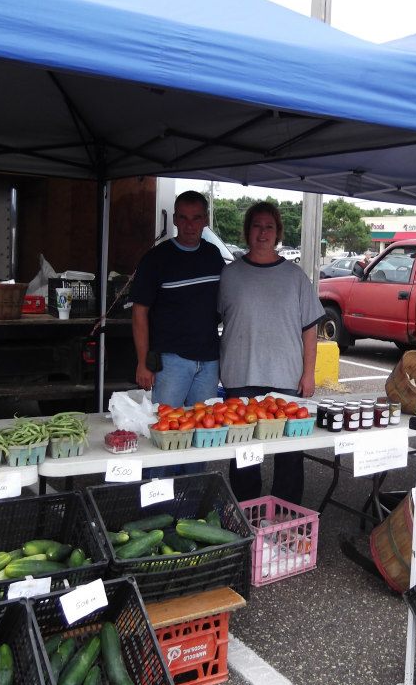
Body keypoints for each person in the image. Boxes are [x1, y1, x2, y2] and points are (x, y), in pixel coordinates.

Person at [219, 201, 324, 504]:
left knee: (289, 457)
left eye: (269, 227)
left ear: (277, 233)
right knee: (244, 456)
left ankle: (286, 518)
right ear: (247, 231)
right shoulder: (229, 275)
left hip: (286, 380)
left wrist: (308, 373)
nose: (262, 232)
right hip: (241, 378)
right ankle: (246, 514)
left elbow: (310, 330)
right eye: (256, 226)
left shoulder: (295, 277)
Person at [130, 190, 225, 477]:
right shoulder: (156, 259)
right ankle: (157, 511)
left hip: (208, 362)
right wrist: (143, 361)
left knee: (200, 436)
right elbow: (139, 313)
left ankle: (191, 506)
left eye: (196, 218)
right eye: (183, 218)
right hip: (171, 362)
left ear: (205, 220)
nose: (189, 225)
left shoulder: (213, 255)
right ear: (174, 219)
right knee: (165, 438)